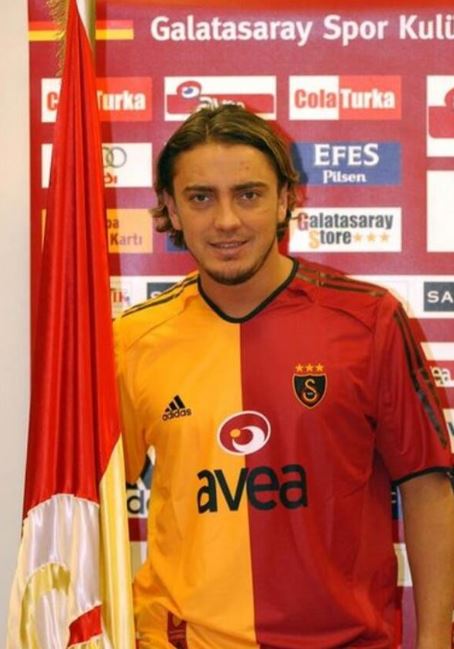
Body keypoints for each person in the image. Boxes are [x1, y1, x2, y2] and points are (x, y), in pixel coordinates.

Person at [113, 104, 454, 649]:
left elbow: (428, 488)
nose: (226, 221)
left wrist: (436, 640)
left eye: (248, 194)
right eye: (201, 198)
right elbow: (90, 506)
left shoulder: (369, 320)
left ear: (285, 200)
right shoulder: (132, 340)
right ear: (171, 209)